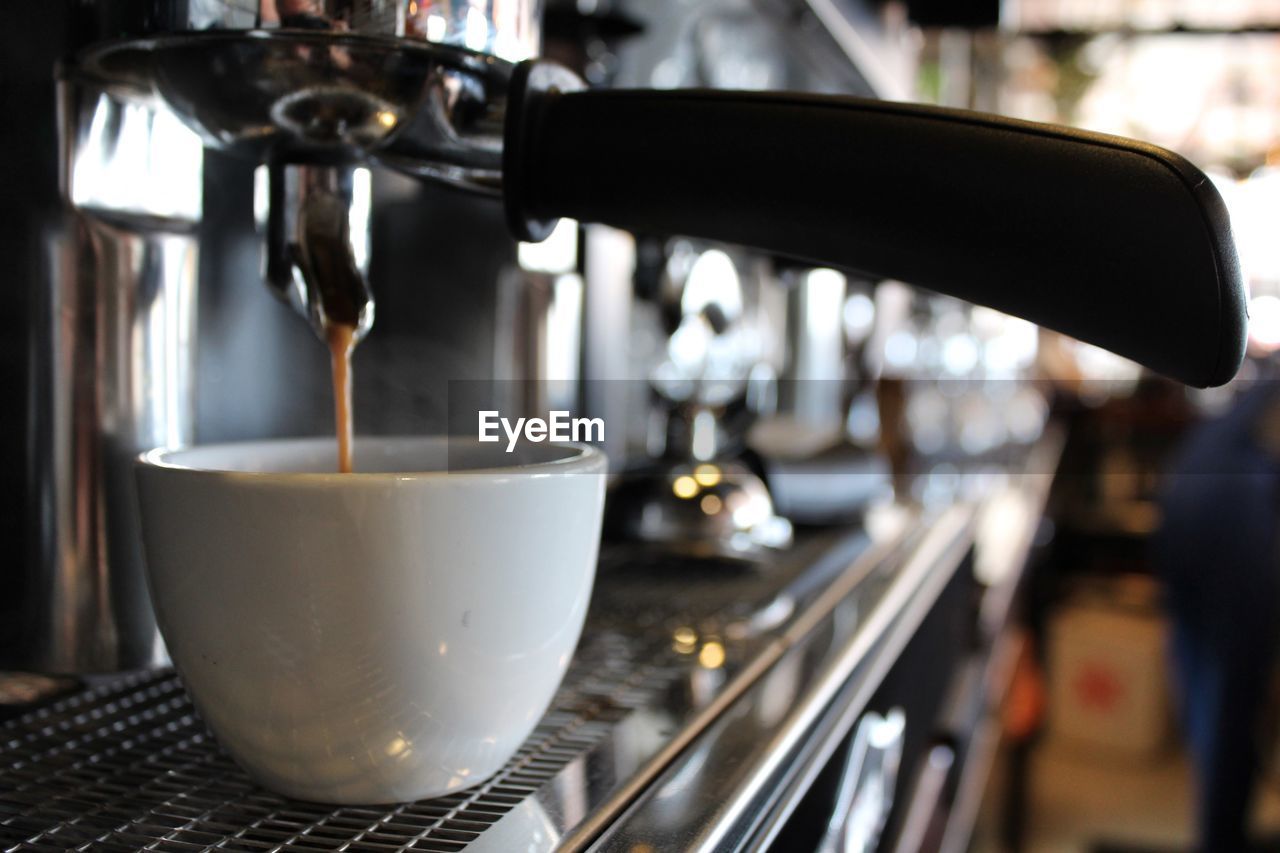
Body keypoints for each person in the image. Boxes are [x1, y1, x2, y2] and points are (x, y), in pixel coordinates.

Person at [1154, 379, 1280, 852]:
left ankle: (1217, 832)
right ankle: (1220, 838)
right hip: (1232, 517)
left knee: (1209, 691)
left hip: (1187, 493)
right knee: (1230, 700)